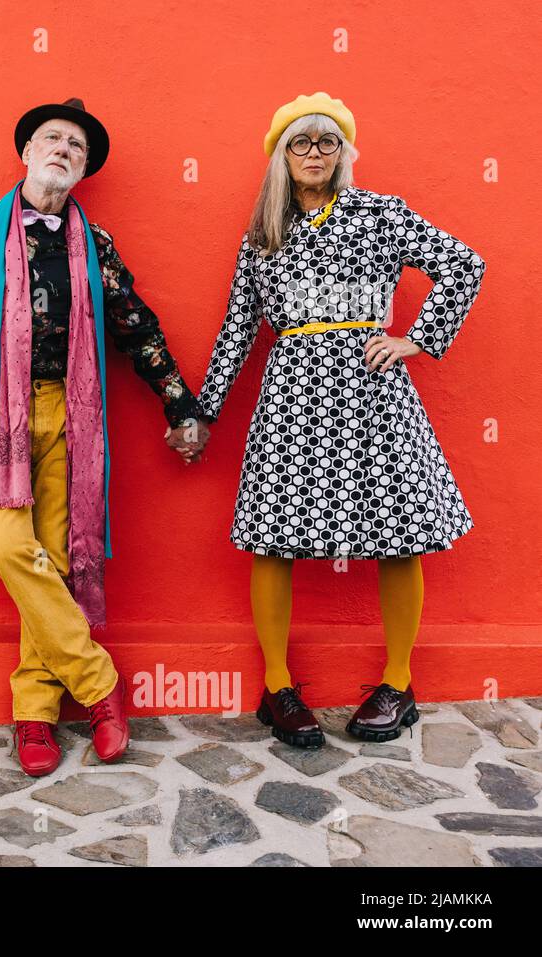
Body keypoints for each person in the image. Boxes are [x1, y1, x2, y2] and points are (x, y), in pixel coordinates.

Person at [0, 99, 209, 777]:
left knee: (51, 557)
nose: (63, 149)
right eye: (53, 138)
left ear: (82, 170)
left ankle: (34, 714)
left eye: (76, 146)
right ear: (27, 151)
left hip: (71, 410)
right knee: (7, 545)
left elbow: (135, 324)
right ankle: (98, 683)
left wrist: (181, 404)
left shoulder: (94, 243)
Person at [195, 93, 486, 747]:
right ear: (281, 156)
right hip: (293, 394)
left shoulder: (380, 213)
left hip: (374, 387)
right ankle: (276, 687)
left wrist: (418, 338)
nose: (315, 153)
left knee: (399, 531)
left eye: (328, 141)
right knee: (275, 534)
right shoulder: (262, 233)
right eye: (301, 142)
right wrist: (202, 409)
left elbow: (465, 264)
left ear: (344, 151)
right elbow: (239, 327)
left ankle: (399, 682)